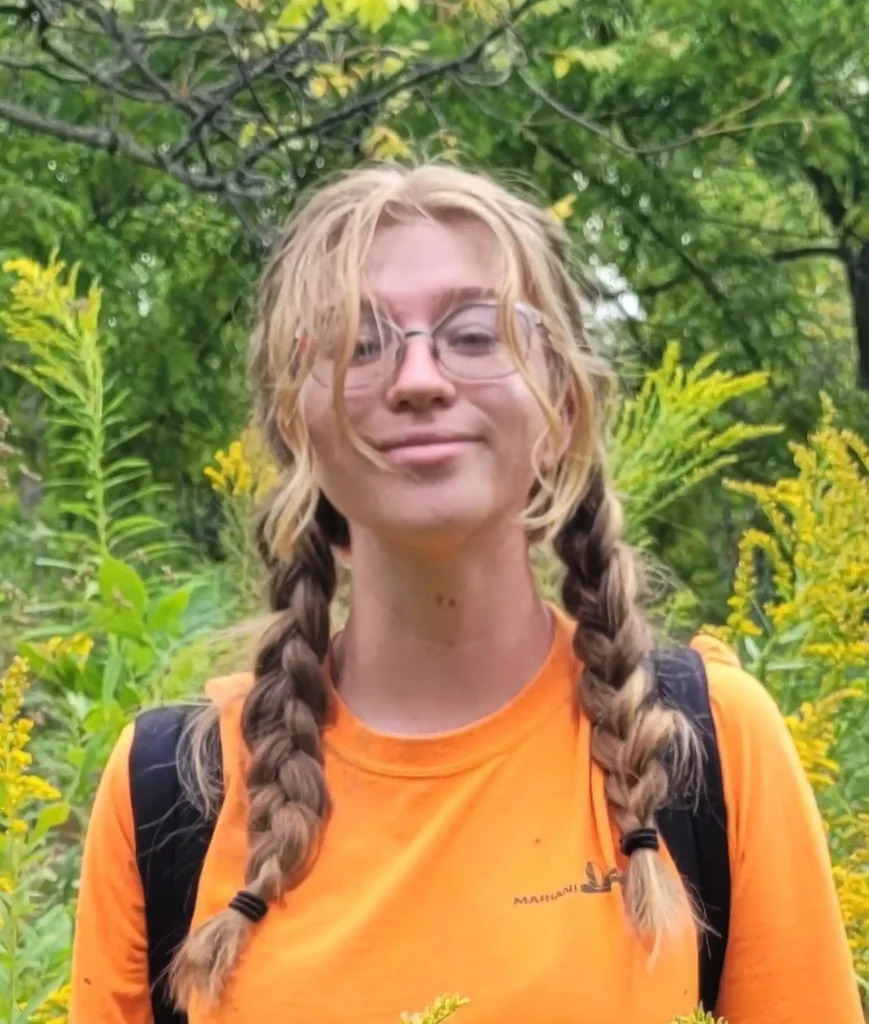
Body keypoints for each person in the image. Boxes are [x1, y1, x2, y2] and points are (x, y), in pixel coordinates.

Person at [69, 163, 861, 1024]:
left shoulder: (707, 748)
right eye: (358, 343)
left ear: (561, 400)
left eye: (475, 335)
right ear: (295, 420)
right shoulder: (173, 794)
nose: (418, 379)